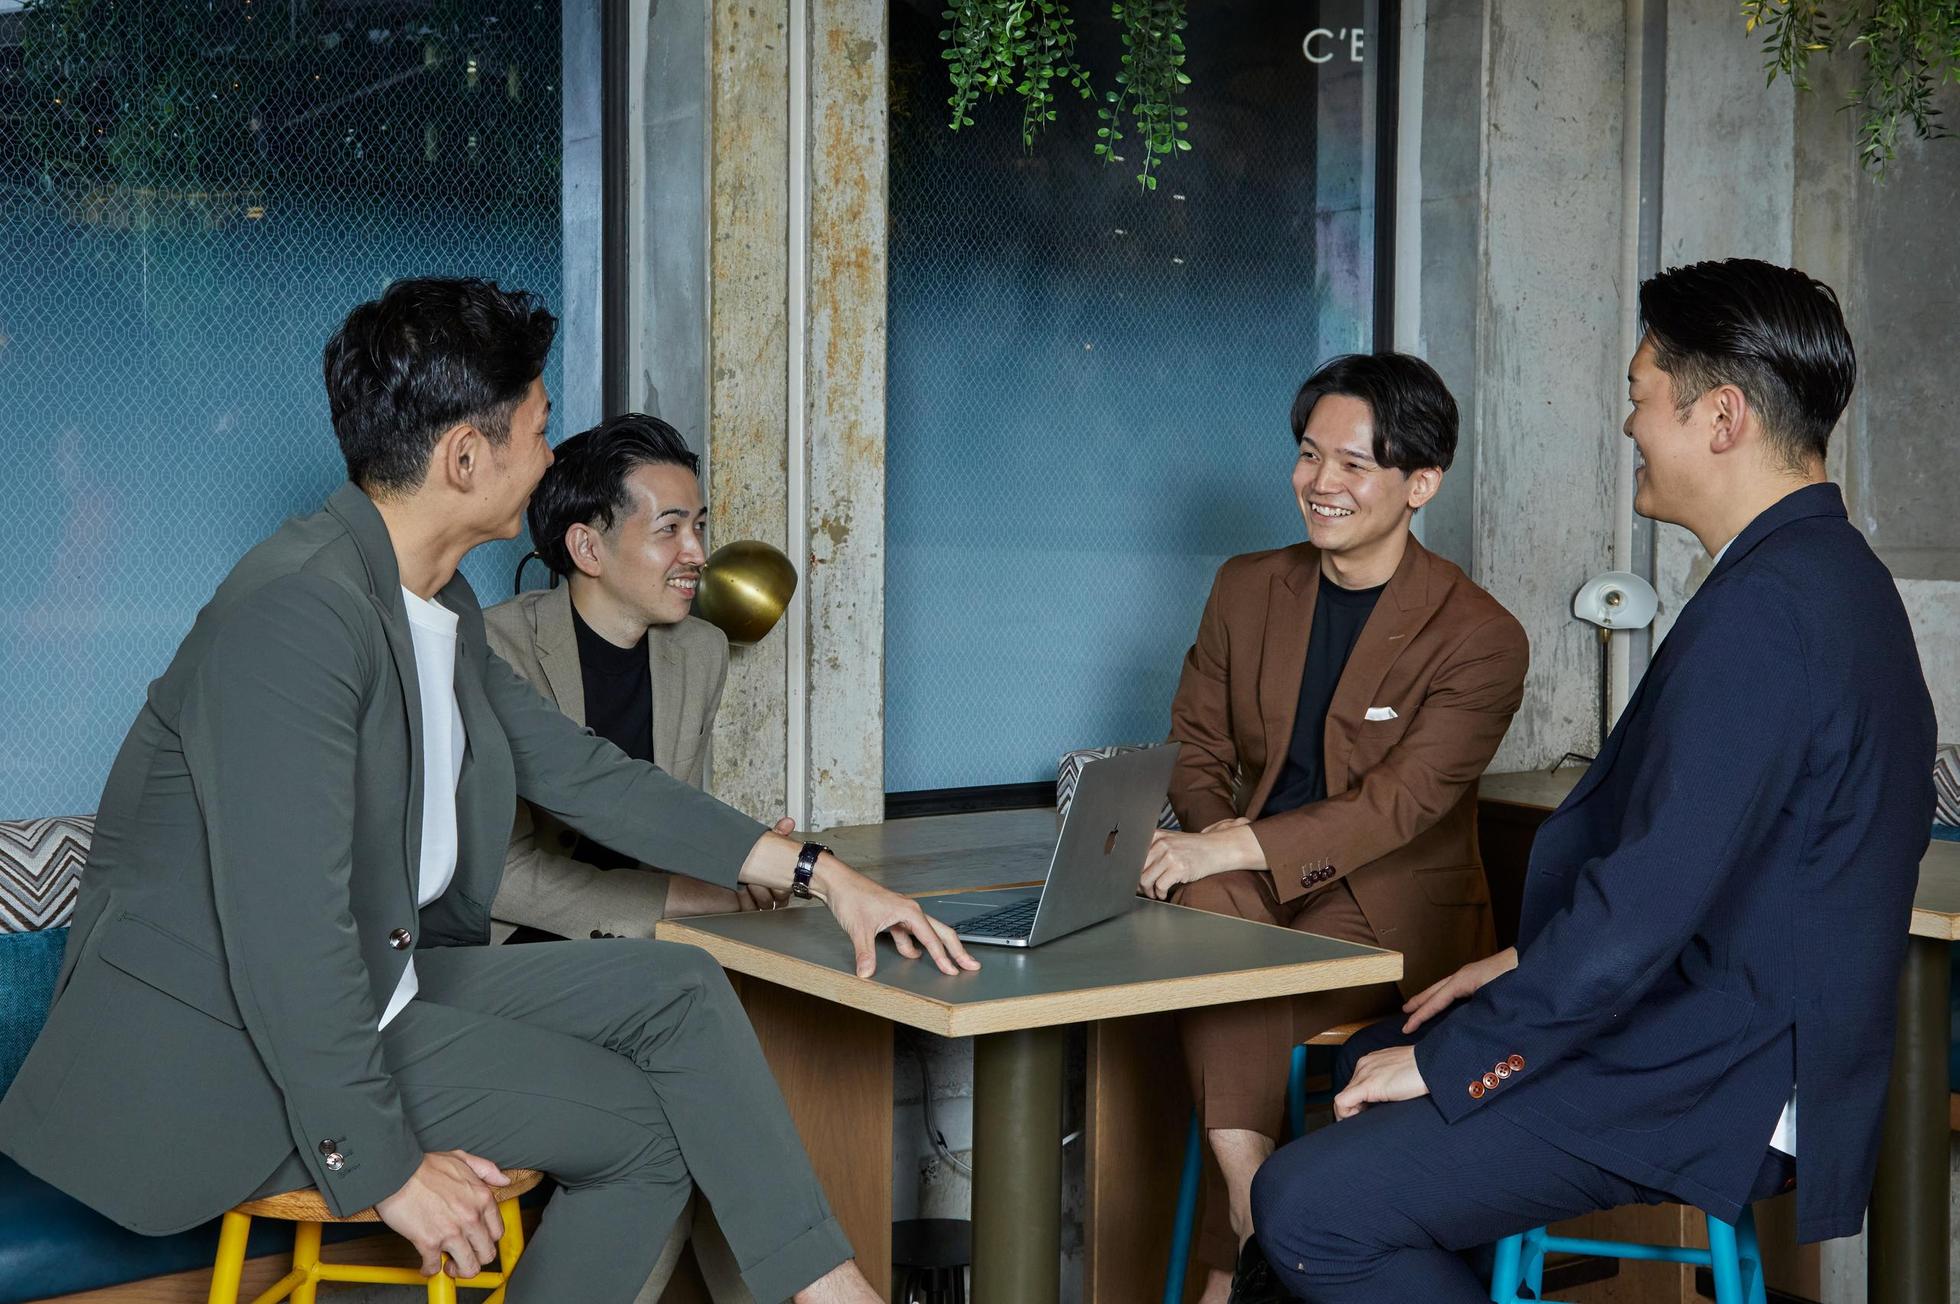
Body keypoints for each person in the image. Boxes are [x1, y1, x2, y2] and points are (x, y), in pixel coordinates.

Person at [0, 277, 978, 1304]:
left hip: (376, 985)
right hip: (223, 1047)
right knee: (644, 1139)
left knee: (681, 989)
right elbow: (287, 929)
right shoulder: (296, 616)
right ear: (466, 458)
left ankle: (830, 1289)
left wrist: (823, 874)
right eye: (539, 429)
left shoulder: (437, 602)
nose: (552, 459)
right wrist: (383, 1165)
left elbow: (583, 772)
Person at [1251, 258, 1937, 1302]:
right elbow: (1714, 870)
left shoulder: (1767, 613)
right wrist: (1520, 968)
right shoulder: (1830, 577)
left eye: (1639, 395)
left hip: (1718, 1071)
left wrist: (1468, 1054)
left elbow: (1646, 901)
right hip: (1727, 1029)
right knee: (1382, 1056)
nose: (1628, 425)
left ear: (1721, 416)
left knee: (1307, 1207)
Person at [1144, 352, 1529, 1304]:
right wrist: (1214, 841)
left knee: (1219, 964)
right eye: (1309, 454)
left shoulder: (1480, 636)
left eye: (1354, 464)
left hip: (1393, 912)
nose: (1320, 482)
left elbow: (1401, 804)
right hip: (1248, 897)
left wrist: (1227, 850)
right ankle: (1258, 1226)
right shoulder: (1246, 587)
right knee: (1220, 928)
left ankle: (1240, 1262)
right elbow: (1195, 748)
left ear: (1420, 483)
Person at [484, 413, 770, 1303]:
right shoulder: (493, 649)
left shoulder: (700, 653)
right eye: (670, 528)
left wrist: (738, 859)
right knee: (684, 1103)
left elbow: (665, 816)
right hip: (507, 957)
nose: (698, 553)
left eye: (700, 525)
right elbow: (493, 873)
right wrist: (678, 896)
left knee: (755, 1062)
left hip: (642, 950)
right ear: (587, 546)